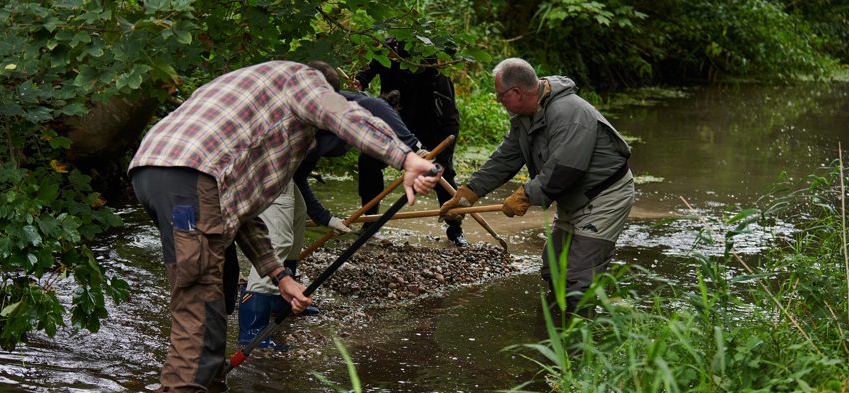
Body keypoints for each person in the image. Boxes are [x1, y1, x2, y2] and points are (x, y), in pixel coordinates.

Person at [128, 60, 441, 393]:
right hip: (188, 177)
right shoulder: (303, 80)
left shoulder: (254, 98)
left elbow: (239, 214)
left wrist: (279, 276)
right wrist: (405, 157)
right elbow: (343, 112)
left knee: (209, 302)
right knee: (198, 311)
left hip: (156, 173)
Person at [439, 57, 634, 322]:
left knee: (578, 279)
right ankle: (555, 335)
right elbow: (506, 158)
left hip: (604, 196)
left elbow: (565, 169)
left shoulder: (569, 113)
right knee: (553, 268)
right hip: (571, 196)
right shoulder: (524, 117)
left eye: (500, 96)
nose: (499, 102)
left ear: (516, 92)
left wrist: (526, 194)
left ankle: (579, 351)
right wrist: (470, 192)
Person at [237, 84, 426, 349]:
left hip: (282, 168)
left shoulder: (321, 135)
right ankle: (252, 330)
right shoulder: (352, 106)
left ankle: (281, 301)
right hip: (263, 162)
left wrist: (326, 219)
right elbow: (377, 106)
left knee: (297, 216)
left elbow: (299, 177)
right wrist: (415, 149)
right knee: (276, 239)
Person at [352, 38, 468, 247]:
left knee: (445, 175)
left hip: (428, 126)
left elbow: (450, 120)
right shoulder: (390, 51)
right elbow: (373, 62)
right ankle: (369, 222)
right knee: (368, 162)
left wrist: (441, 158)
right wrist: (362, 79)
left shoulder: (436, 75)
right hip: (393, 120)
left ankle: (455, 228)